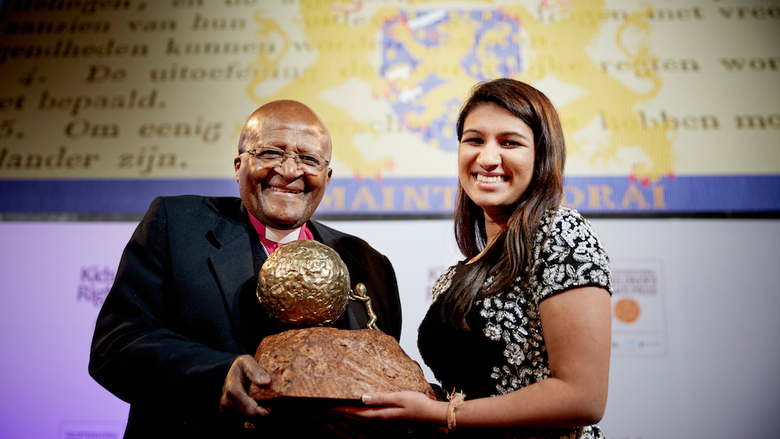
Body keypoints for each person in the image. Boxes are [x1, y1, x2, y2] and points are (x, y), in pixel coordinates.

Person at [89, 100, 402, 438]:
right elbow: (115, 347)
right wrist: (217, 376)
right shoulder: (176, 226)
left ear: (327, 177)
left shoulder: (369, 265)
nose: (289, 170)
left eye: (309, 159)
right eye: (270, 153)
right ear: (239, 166)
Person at [335, 78, 613, 438]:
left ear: (541, 155)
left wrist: (439, 413)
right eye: (474, 140)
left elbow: (583, 398)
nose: (487, 158)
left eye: (510, 142)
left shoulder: (561, 234)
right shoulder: (456, 275)